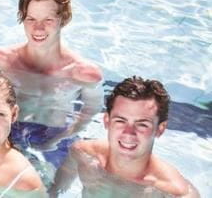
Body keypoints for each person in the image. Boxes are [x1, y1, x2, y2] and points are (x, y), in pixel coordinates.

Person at [0, 0, 103, 169]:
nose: (37, 28)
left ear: (63, 18)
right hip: (9, 135)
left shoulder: (83, 73)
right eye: (30, 18)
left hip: (55, 140)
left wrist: (58, 140)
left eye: (47, 19)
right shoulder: (1, 61)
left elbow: (89, 114)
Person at [49, 76, 200, 197]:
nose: (129, 133)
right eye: (121, 121)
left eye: (142, 124)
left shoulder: (173, 192)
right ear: (107, 121)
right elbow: (55, 191)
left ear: (160, 129)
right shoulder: (82, 154)